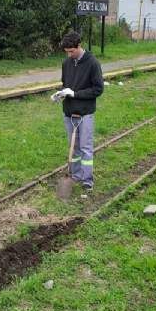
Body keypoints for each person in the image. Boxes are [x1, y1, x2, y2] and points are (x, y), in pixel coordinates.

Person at [51, 31, 104, 192]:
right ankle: (75, 175)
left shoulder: (92, 63)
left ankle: (87, 179)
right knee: (73, 147)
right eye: (67, 52)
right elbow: (65, 84)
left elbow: (98, 89)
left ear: (79, 46)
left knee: (85, 147)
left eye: (71, 51)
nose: (69, 55)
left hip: (85, 112)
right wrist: (60, 94)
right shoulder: (66, 63)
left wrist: (75, 94)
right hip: (68, 112)